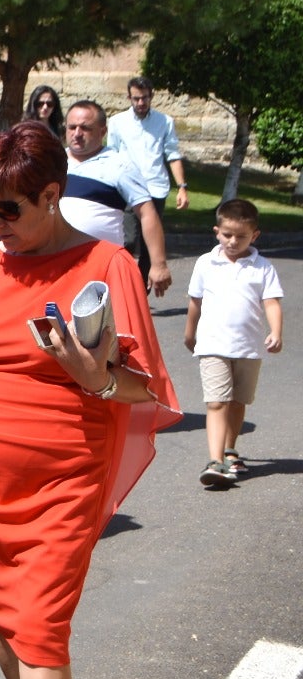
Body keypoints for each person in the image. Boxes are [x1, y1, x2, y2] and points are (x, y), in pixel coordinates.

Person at [0, 121, 178, 679]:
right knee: (8, 624)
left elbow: (147, 386)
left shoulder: (105, 264)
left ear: (52, 194)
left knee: (39, 626)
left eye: (8, 209)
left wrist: (96, 378)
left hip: (65, 479)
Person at [184, 198, 283, 487]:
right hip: (213, 344)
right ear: (217, 231)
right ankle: (215, 461)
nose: (233, 241)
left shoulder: (262, 267)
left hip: (249, 347)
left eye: (241, 236)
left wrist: (276, 331)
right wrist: (190, 334)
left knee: (238, 401)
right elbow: (195, 303)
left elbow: (272, 303)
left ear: (255, 236)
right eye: (227, 235)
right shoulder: (206, 263)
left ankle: (229, 449)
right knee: (216, 402)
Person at [59, 100, 171, 295]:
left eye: (85, 128)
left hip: (99, 270)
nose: (77, 133)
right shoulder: (52, 162)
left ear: (103, 132)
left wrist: (158, 264)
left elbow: (147, 213)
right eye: (72, 127)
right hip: (55, 265)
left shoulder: (120, 165)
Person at [108, 77, 189, 285]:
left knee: (148, 245)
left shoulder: (165, 122)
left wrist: (182, 187)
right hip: (127, 188)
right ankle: (122, 284)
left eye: (144, 98)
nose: (141, 103)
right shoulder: (117, 122)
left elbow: (172, 154)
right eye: (136, 99)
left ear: (151, 97)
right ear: (129, 98)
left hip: (156, 188)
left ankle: (141, 289)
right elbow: (112, 154)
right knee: (128, 240)